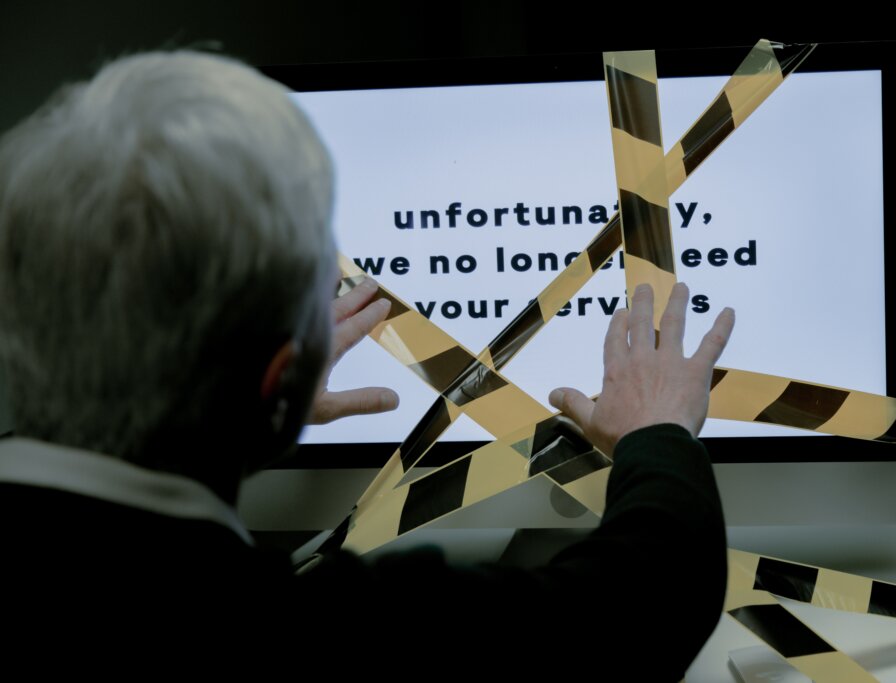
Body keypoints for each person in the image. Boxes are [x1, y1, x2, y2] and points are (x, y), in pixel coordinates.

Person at [0, 51, 734, 678]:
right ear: (278, 379)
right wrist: (657, 431)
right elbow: (642, 606)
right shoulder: (338, 636)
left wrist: (247, 411)